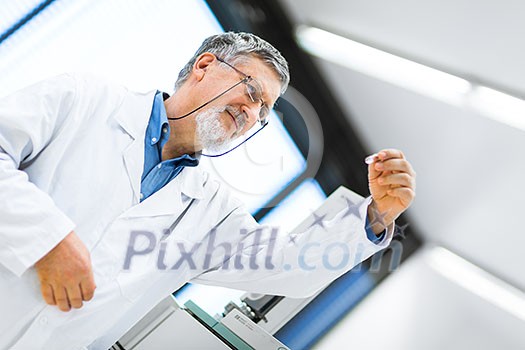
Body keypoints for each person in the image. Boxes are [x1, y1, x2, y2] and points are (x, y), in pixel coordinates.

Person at [0, 32, 416, 349]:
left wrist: (378, 214)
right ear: (203, 66)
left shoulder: (210, 213)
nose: (251, 113)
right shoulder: (84, 100)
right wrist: (48, 241)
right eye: (251, 91)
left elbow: (291, 266)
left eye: (263, 111)